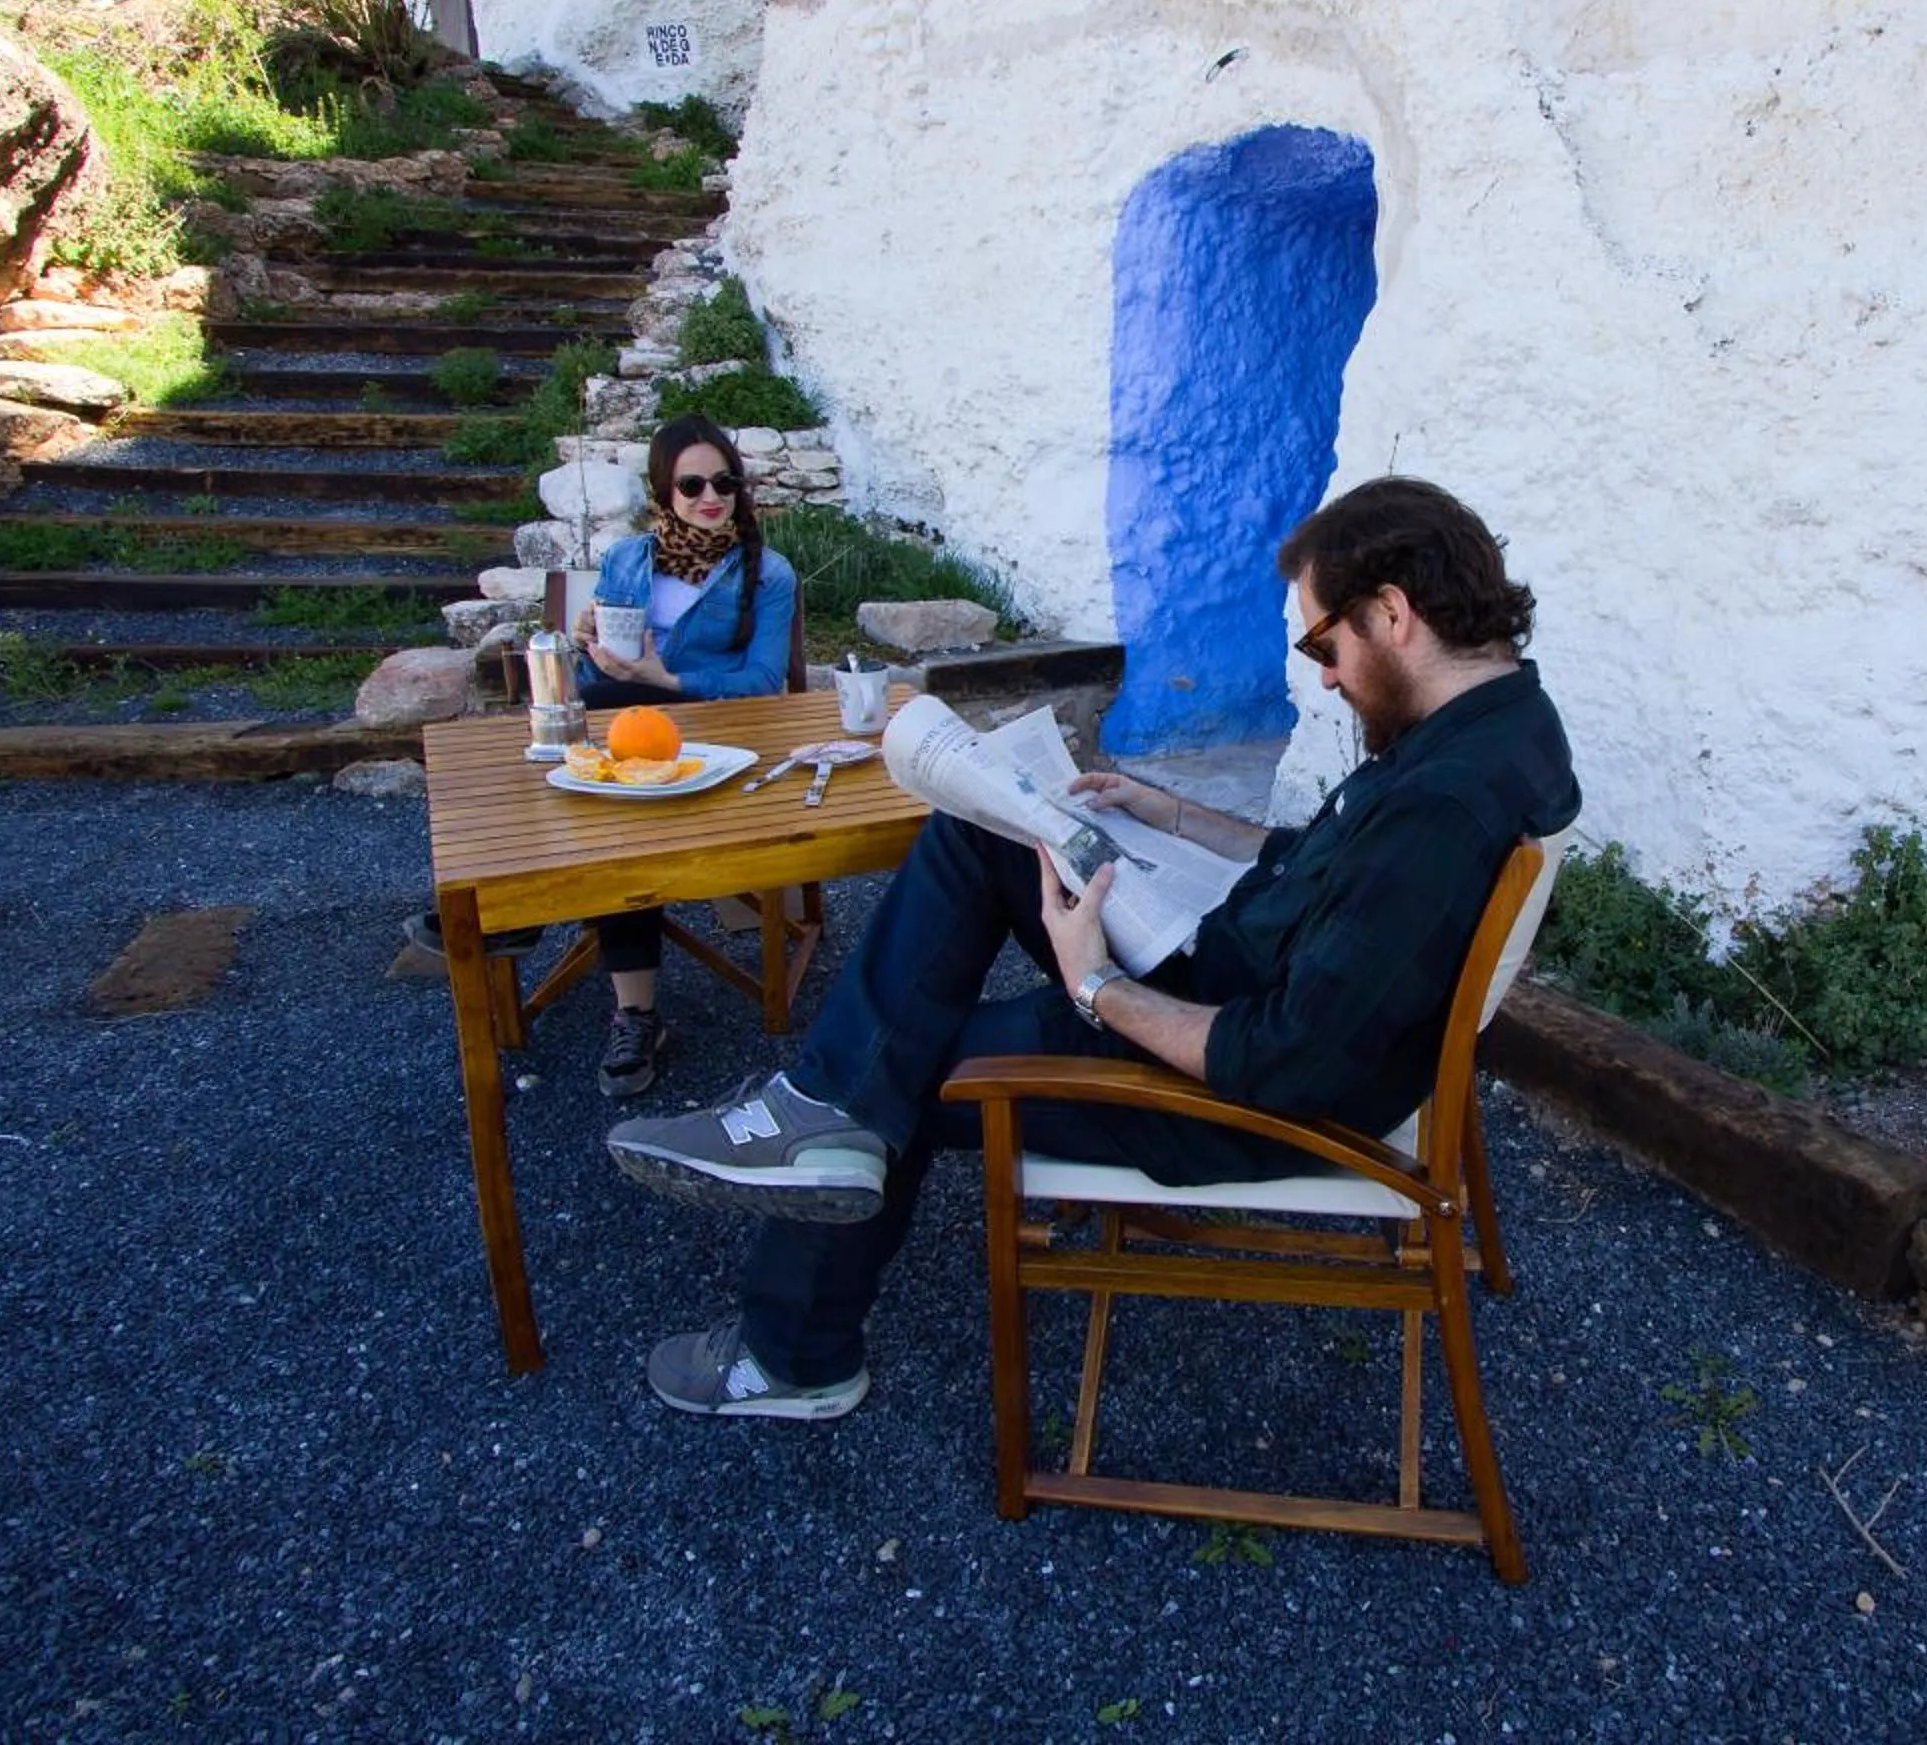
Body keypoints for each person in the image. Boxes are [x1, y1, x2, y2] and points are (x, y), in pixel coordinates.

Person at [601, 475, 1581, 1421]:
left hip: (1231, 1088)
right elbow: (1322, 866)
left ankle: (794, 1347)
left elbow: (1282, 1059)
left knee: (907, 1066)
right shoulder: (1491, 725)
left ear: (1394, 613)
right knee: (985, 826)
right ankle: (822, 1114)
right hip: (1232, 974)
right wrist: (1172, 815)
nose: (1324, 674)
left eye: (1325, 642)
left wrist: (1096, 982)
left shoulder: (1442, 806)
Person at [570, 412, 800, 1098]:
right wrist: (586, 640)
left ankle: (531, 931)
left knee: (619, 824)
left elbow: (764, 681)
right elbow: (595, 668)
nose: (711, 497)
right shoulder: (626, 559)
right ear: (662, 491)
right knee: (616, 809)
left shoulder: (767, 573)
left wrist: (667, 681)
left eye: (724, 483)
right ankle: (634, 1010)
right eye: (692, 484)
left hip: (714, 743)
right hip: (624, 736)